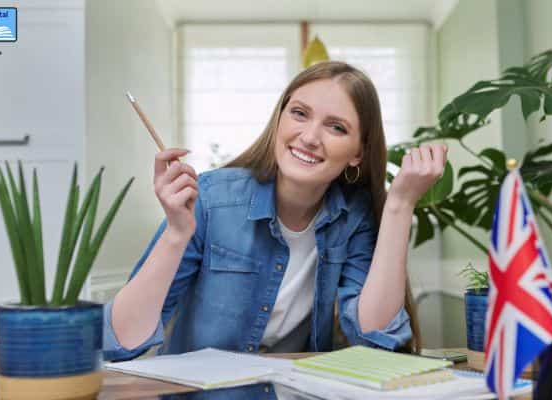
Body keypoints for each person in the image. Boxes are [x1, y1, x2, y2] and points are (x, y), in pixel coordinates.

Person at [104, 61, 448, 361]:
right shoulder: (213, 197)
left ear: (358, 152)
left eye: (336, 127)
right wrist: (177, 233)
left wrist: (400, 205)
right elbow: (121, 341)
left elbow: (375, 336)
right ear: (279, 119)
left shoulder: (354, 217)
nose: (310, 137)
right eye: (299, 113)